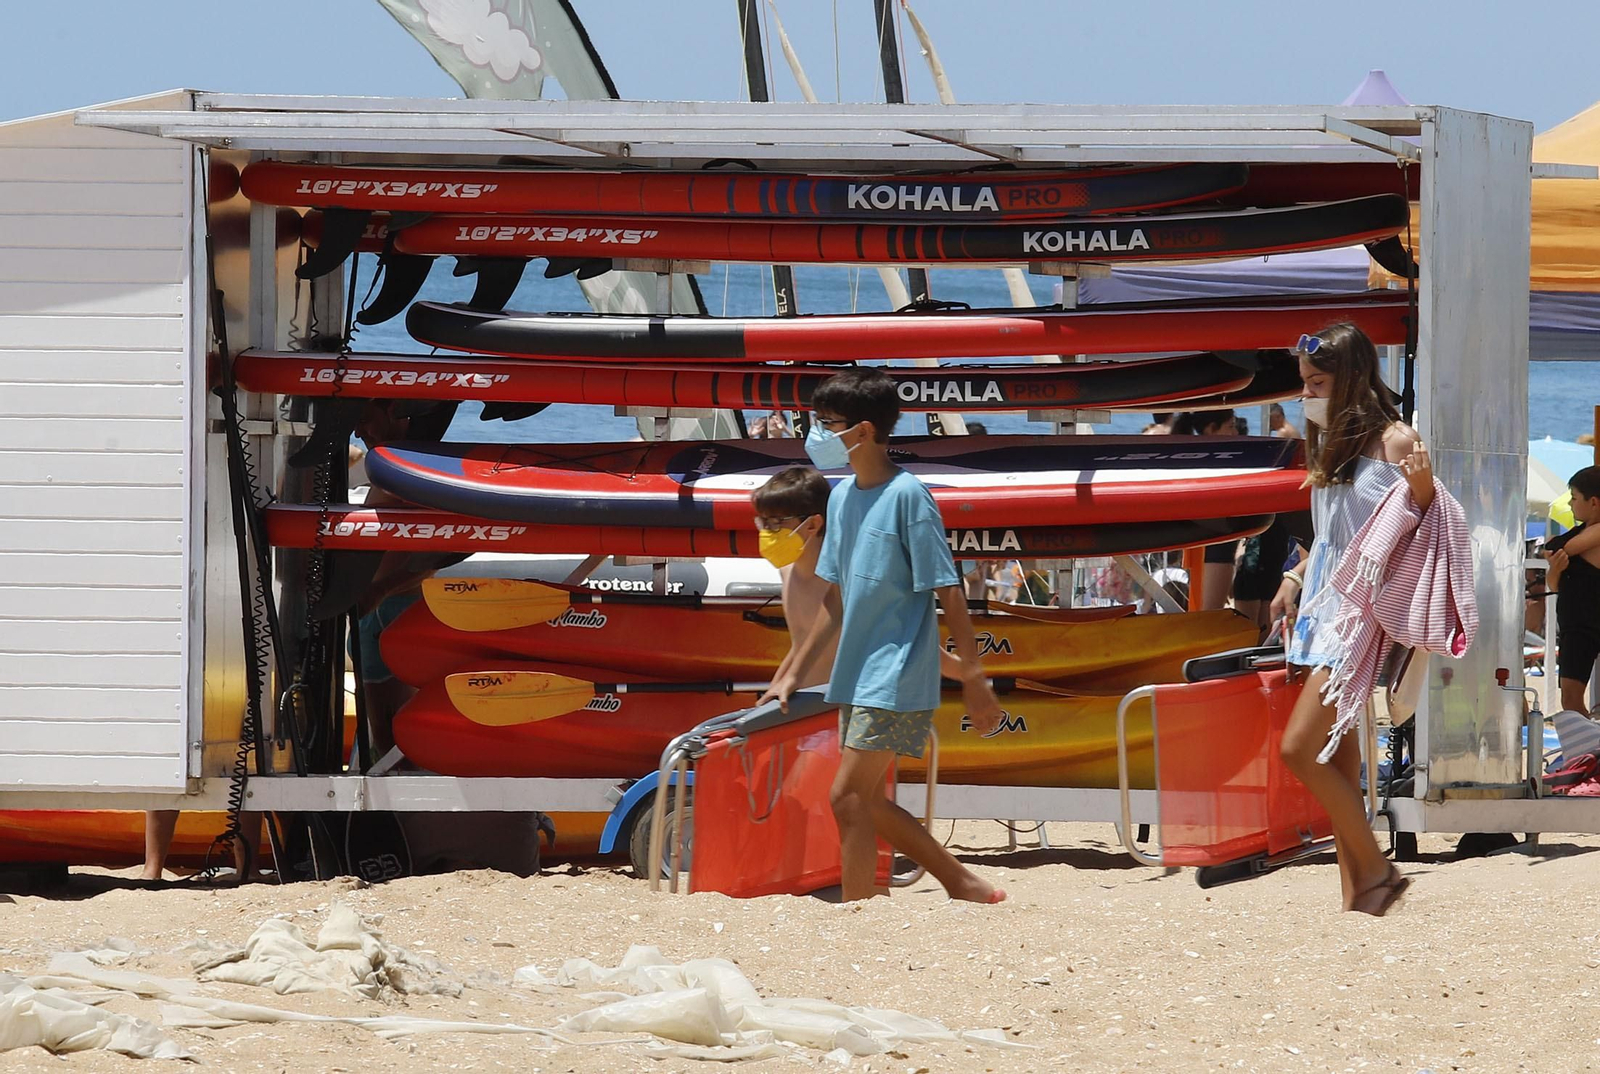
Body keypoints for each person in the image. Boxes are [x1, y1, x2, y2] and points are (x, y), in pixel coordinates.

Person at [760, 368, 1006, 904]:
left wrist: (975, 676)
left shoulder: (908, 497)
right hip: (857, 671)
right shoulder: (844, 497)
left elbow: (949, 591)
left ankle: (938, 886)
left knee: (847, 795)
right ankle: (878, 902)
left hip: (896, 669)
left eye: (826, 423)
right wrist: (794, 674)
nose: (816, 434)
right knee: (861, 799)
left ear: (864, 430)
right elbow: (836, 600)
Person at [1268, 323, 1433, 916]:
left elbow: (1419, 529)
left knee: (1298, 749)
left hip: (1359, 618)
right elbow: (1334, 534)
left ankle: (1381, 870)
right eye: (1305, 383)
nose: (1307, 394)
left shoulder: (1395, 440)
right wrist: (1293, 577)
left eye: (1317, 382)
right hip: (1321, 611)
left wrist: (1421, 491)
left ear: (1352, 378)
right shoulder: (1328, 439)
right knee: (1337, 756)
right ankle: (1358, 892)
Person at [1542, 466, 1600, 715]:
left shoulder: (1593, 533)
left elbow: (1557, 549)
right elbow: (1555, 583)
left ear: (1594, 502)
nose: (1571, 504)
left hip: (1588, 621)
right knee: (1570, 698)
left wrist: (1557, 559)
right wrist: (1554, 570)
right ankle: (1589, 752)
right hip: (1576, 625)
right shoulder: (1583, 531)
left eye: (1575, 498)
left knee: (1572, 699)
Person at [1170, 409, 1240, 609]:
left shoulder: (1190, 460)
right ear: (1211, 429)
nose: (1235, 433)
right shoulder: (1217, 464)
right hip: (1216, 552)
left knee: (1203, 617)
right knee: (1209, 619)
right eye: (1231, 426)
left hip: (1204, 552)